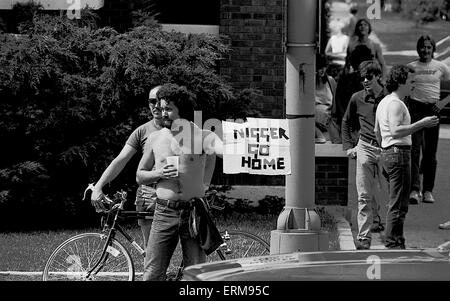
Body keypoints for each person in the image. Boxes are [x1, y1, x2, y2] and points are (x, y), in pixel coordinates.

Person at [136, 83, 223, 281]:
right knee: (152, 274)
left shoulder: (202, 136)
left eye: (168, 109)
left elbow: (222, 151)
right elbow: (140, 175)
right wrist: (158, 173)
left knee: (196, 273)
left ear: (181, 111)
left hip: (193, 212)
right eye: (161, 107)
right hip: (164, 211)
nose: (162, 113)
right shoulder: (155, 139)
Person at [91, 86, 163, 254]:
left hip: (174, 193)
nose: (156, 105)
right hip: (148, 195)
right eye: (152, 101)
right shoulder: (142, 131)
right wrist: (99, 186)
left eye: (160, 101)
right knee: (152, 253)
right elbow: (120, 160)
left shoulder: (182, 128)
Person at [374, 64, 439, 249]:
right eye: (411, 81)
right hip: (398, 154)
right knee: (399, 204)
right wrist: (422, 123)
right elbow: (395, 131)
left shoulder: (384, 102)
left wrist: (384, 150)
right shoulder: (396, 104)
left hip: (388, 153)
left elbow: (377, 131)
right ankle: (393, 243)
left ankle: (397, 241)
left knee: (396, 201)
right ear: (401, 81)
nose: (414, 85)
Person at [342, 60, 387, 249]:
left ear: (378, 76)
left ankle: (389, 236)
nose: (365, 81)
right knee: (364, 196)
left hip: (386, 150)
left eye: (369, 77)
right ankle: (364, 238)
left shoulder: (390, 98)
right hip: (365, 147)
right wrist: (349, 147)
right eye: (363, 78)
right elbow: (346, 122)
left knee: (388, 195)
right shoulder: (357, 98)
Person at [407, 35, 450, 204]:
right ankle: (414, 189)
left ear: (433, 49)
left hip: (433, 109)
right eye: (423, 47)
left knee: (430, 153)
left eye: (429, 47)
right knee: (414, 150)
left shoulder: (441, 67)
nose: (426, 50)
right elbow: (403, 87)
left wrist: (442, 103)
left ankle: (428, 190)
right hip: (416, 110)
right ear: (419, 48)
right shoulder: (411, 67)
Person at [333, 44, 374, 137]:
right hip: (363, 127)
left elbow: (338, 107)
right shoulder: (372, 82)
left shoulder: (344, 80)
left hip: (349, 125)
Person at [315, 54, 341, 144]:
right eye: (319, 68)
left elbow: (337, 104)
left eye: (324, 67)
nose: (322, 70)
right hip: (313, 125)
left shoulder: (330, 81)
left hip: (329, 124)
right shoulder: (306, 82)